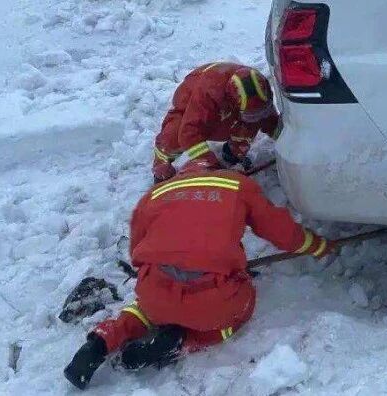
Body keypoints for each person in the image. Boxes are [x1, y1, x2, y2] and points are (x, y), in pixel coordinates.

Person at [64, 160, 333, 390]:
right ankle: (182, 342)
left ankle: (101, 341)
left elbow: (136, 251)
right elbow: (281, 230)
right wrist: (316, 245)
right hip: (211, 301)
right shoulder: (237, 185)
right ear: (215, 171)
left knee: (143, 308)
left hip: (156, 292)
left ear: (184, 174)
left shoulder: (155, 194)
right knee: (241, 309)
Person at [152, 61, 281, 183]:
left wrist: (285, 138)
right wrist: (211, 166)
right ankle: (162, 168)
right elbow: (189, 134)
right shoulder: (208, 94)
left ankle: (232, 153)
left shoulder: (257, 90)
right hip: (191, 102)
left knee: (249, 124)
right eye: (252, 116)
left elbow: (270, 121)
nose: (258, 119)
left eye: (261, 113)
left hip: (231, 110)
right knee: (173, 136)